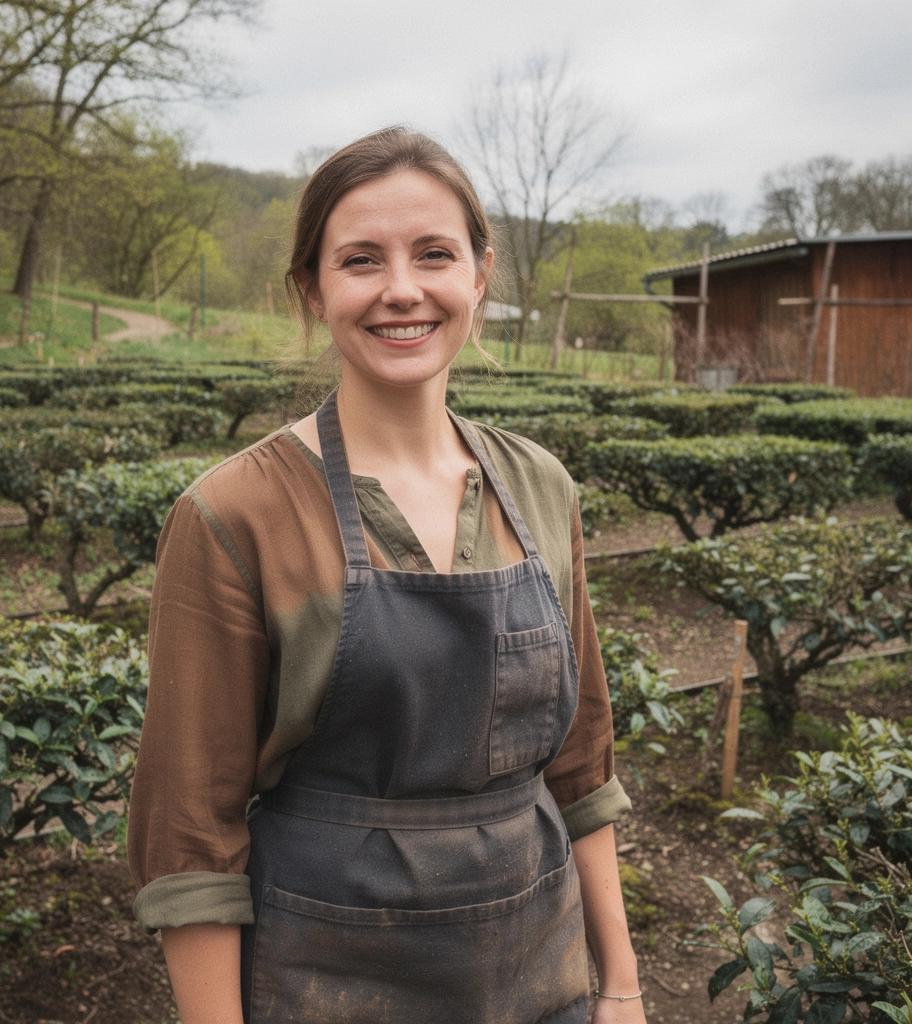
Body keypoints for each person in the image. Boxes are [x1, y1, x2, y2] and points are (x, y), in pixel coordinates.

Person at [127, 126, 647, 1024]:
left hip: (540, 972)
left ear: (481, 275)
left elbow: (580, 764)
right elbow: (190, 838)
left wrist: (622, 985)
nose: (401, 289)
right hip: (325, 979)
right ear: (312, 289)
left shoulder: (539, 487)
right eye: (361, 259)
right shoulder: (236, 516)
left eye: (435, 254)